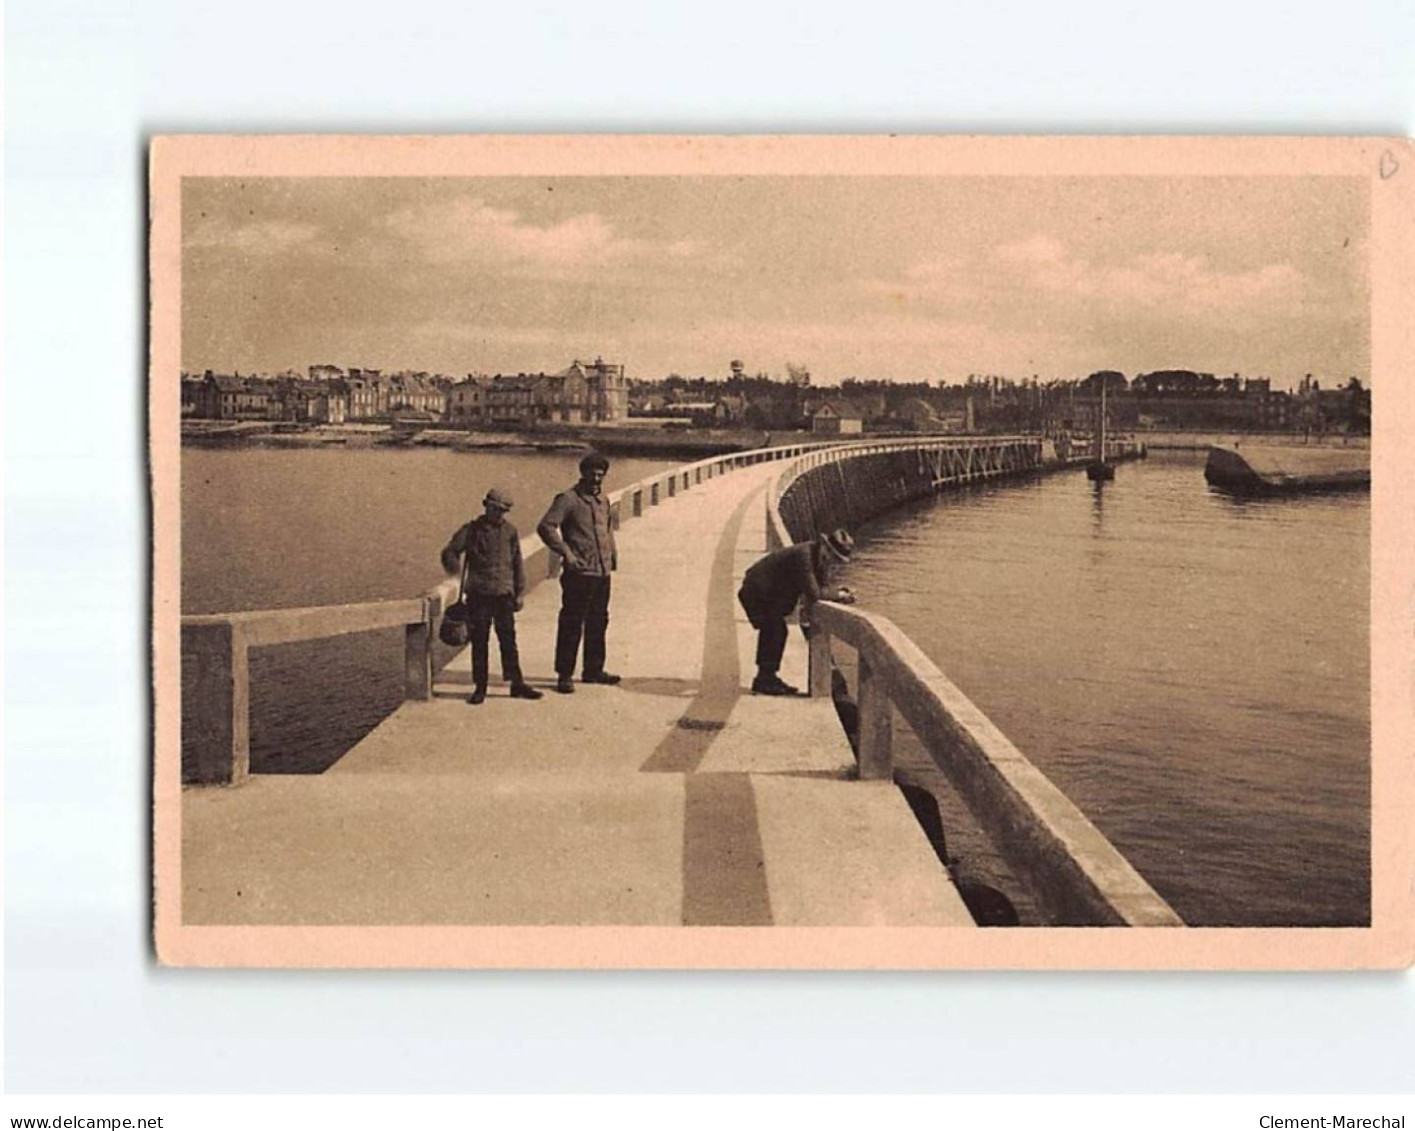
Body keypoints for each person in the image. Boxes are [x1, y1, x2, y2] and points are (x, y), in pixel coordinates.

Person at [440, 488, 543, 705]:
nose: (498, 513)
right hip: (479, 596)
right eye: (494, 508)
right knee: (480, 642)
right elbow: (450, 552)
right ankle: (480, 687)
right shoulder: (471, 530)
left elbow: (517, 564)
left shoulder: (511, 532)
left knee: (508, 640)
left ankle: (517, 684)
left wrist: (519, 592)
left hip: (504, 595)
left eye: (502, 510)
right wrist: (457, 574)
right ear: (485, 506)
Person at [737, 528, 856, 696]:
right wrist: (839, 595)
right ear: (824, 546)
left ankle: (766, 678)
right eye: (832, 556)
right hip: (756, 592)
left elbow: (822, 587)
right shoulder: (804, 556)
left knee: (775, 629)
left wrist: (838, 591)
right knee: (775, 630)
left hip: (770, 595)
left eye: (836, 559)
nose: (832, 561)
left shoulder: (818, 557)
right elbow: (814, 594)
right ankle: (765, 679)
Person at [537, 453, 620, 695]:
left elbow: (607, 529)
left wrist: (613, 553)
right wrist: (566, 553)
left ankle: (593, 670)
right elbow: (546, 526)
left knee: (599, 621)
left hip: (601, 572)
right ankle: (565, 674)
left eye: (600, 474)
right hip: (579, 573)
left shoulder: (603, 500)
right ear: (582, 473)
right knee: (572, 622)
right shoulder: (568, 499)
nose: (596, 478)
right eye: (592, 473)